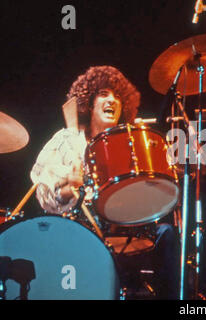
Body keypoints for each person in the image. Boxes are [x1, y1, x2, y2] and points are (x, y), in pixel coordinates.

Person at [30, 66, 179, 299]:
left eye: (118, 97)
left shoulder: (129, 143)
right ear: (89, 103)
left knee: (167, 233)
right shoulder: (67, 140)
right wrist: (69, 187)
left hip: (126, 230)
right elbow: (42, 193)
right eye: (104, 94)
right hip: (80, 232)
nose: (113, 101)